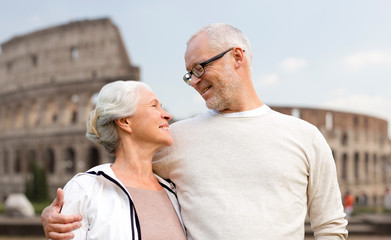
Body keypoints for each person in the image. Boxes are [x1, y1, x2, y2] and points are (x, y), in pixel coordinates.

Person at [42, 23, 348, 239]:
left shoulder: (305, 137)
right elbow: (123, 175)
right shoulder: (175, 138)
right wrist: (57, 215)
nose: (195, 81)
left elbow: (331, 227)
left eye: (200, 68)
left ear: (237, 57)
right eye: (189, 74)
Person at [40, 80, 187, 240]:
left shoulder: (174, 192)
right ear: (124, 121)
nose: (167, 114)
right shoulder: (85, 190)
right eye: (154, 106)